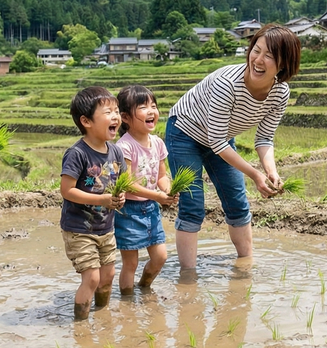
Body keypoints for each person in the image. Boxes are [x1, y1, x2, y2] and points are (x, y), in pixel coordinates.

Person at [166, 24, 302, 274]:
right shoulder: (226, 84)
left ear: (283, 64)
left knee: (237, 202)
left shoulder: (280, 92)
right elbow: (217, 142)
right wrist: (255, 174)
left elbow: (264, 138)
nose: (258, 60)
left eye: (269, 56)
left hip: (220, 137)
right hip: (185, 132)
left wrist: (270, 171)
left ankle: (246, 266)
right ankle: (188, 276)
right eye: (256, 51)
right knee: (192, 205)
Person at [60, 86, 127, 320]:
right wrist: (102, 199)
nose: (116, 117)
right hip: (79, 229)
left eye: (117, 111)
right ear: (86, 121)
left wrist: (121, 197)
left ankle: (102, 317)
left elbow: (121, 183)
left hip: (105, 228)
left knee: (108, 277)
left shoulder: (116, 153)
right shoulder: (77, 154)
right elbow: (66, 191)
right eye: (108, 112)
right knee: (92, 278)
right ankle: (81, 325)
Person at [114, 85, 177, 296]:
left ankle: (144, 287)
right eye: (143, 107)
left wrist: (167, 190)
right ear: (125, 117)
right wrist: (158, 196)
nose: (151, 111)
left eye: (154, 106)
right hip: (128, 210)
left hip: (150, 209)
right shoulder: (124, 146)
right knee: (130, 263)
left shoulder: (157, 143)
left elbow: (161, 175)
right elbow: (127, 183)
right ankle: (127, 302)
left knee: (160, 257)